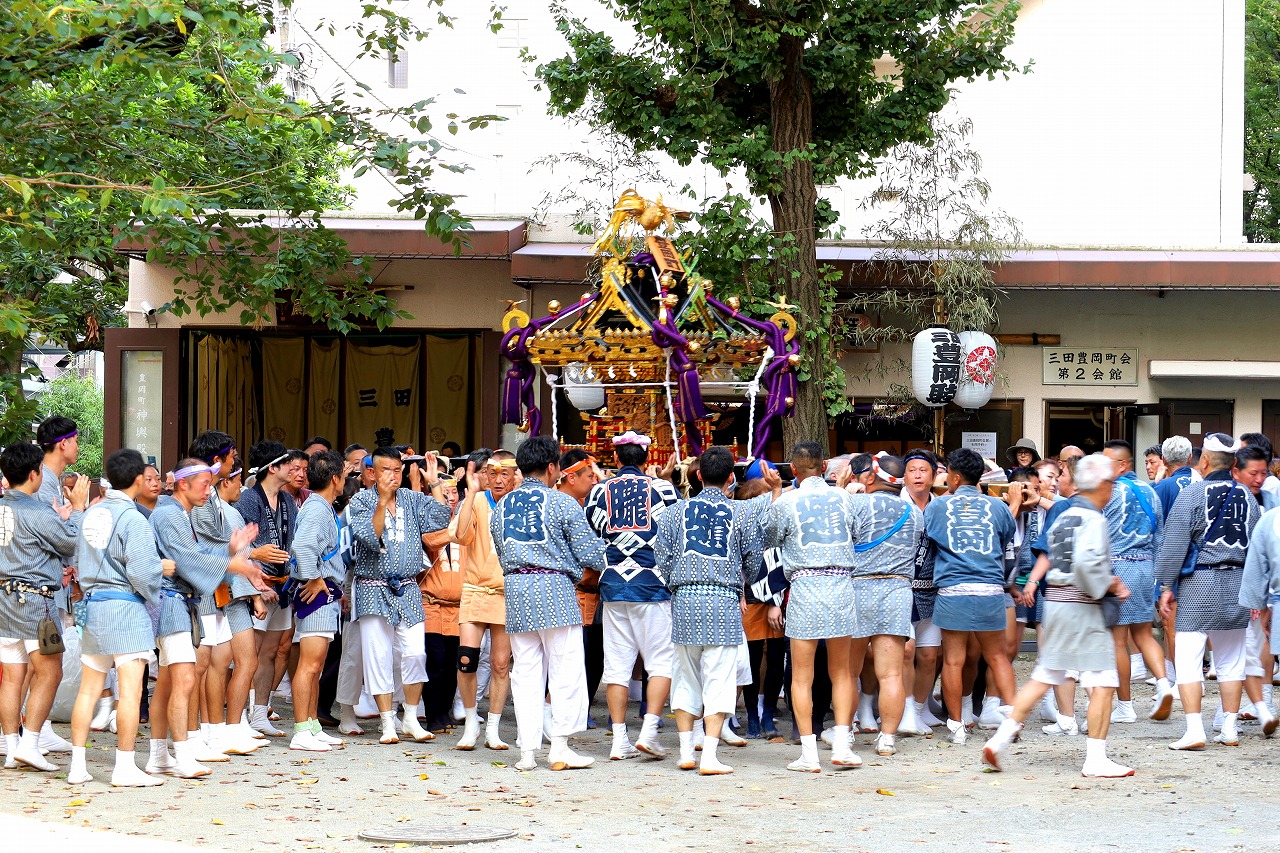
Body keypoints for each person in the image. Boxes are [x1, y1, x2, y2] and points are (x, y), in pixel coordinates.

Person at [982, 453, 1135, 778]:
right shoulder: (1093, 519)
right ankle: (1096, 758)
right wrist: (1110, 585)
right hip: (1083, 607)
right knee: (1103, 680)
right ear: (1102, 485)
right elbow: (1088, 567)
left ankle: (999, 739)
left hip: (1055, 602)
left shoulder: (1065, 514)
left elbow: (1053, 556)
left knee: (1045, 675)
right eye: (1111, 483)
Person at [490, 436, 606, 772]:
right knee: (565, 671)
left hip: (517, 590)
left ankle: (527, 752)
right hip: (555, 588)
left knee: (526, 673)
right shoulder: (562, 503)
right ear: (553, 467)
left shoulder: (502, 507)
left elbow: (501, 550)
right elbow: (592, 554)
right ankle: (559, 747)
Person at [67, 449, 174, 787]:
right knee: (129, 693)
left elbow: (77, 558)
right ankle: (124, 767)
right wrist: (160, 569)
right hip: (125, 608)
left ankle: (77, 766)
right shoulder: (133, 519)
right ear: (139, 479)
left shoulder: (91, 513)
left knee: (88, 691)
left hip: (92, 606)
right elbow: (142, 573)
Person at [654, 446, 763, 776]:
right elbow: (754, 560)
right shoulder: (742, 513)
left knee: (685, 676)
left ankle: (686, 751)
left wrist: (678, 582)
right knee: (719, 680)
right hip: (724, 602)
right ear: (731, 477)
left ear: (699, 475)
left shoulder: (674, 512)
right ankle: (710, 756)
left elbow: (662, 557)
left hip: (685, 599)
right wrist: (741, 581)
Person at [147, 459, 260, 778]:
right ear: (183, 483)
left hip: (180, 603)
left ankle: (159, 756)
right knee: (184, 680)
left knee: (168, 683)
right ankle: (183, 754)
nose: (209, 490)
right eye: (204, 484)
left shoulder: (179, 513)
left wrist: (230, 550)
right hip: (172, 603)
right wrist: (231, 562)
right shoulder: (169, 514)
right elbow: (187, 560)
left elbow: (196, 557)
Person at [766, 441, 868, 772]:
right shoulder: (844, 498)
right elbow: (857, 534)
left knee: (801, 676)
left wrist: (776, 493)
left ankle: (809, 754)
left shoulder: (787, 501)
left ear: (793, 469)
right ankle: (842, 745)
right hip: (840, 585)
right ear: (824, 467)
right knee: (842, 672)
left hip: (805, 586)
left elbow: (770, 537)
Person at [1156, 433, 1261, 750]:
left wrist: (1166, 585)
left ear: (1203, 460)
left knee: (1188, 658)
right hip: (1239, 583)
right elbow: (1257, 550)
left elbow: (1174, 546)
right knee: (1232, 660)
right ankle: (1229, 728)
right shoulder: (1248, 497)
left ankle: (1194, 730)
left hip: (1199, 584)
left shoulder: (1192, 494)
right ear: (1234, 462)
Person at [584, 431, 682, 760]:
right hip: (652, 584)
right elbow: (676, 533)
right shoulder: (663, 489)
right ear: (646, 458)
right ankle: (649, 731)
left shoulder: (599, 491)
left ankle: (619, 740)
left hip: (613, 585)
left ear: (616, 458)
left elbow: (592, 533)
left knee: (617, 667)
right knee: (661, 663)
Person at [348, 446, 450, 744]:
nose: (392, 476)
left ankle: (410, 717)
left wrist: (435, 483)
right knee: (378, 656)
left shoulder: (412, 498)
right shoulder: (361, 500)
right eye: (386, 470)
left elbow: (441, 519)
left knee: (416, 653)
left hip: (408, 587)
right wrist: (382, 500)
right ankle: (386, 722)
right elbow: (370, 536)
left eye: (397, 470)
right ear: (372, 473)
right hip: (372, 588)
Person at [0, 441, 87, 771]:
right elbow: (71, 541)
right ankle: (31, 743)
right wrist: (77, 509)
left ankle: (12, 746)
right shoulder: (36, 510)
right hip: (35, 602)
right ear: (35, 474)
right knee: (50, 671)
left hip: (4, 600)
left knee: (12, 676)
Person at [925, 448, 1018, 745]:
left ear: (954, 477)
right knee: (998, 657)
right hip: (990, 588)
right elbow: (1005, 538)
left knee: (953, 660)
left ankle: (957, 727)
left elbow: (931, 539)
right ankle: (1012, 721)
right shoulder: (998, 507)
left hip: (954, 589)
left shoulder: (938, 506)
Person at [847, 455, 925, 757]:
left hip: (858, 589)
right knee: (891, 673)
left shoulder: (856, 504)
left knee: (848, 672)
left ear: (871, 477)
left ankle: (846, 732)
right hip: (897, 591)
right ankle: (887, 739)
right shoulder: (914, 512)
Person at [1099, 440, 1173, 723]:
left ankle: (1125, 706)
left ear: (1122, 465)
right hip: (1145, 566)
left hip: (1118, 568)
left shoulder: (1108, 491)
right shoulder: (1149, 491)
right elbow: (1160, 536)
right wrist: (1157, 574)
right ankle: (1164, 685)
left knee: (1118, 641)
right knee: (1144, 634)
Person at [453, 451, 517, 751]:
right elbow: (462, 536)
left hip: (506, 592)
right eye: (493, 473)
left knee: (501, 664)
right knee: (466, 659)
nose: (499, 480)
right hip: (476, 588)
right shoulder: (478, 500)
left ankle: (493, 727)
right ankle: (470, 722)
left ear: (515, 476)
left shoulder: (519, 503)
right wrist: (470, 492)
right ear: (485, 475)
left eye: (505, 474)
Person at [287, 450, 348, 752]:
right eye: (344, 476)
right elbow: (302, 546)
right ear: (335, 479)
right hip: (317, 594)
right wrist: (313, 577)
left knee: (317, 665)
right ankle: (301, 730)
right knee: (309, 665)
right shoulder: (317, 509)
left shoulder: (320, 506)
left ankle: (312, 725)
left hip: (325, 592)